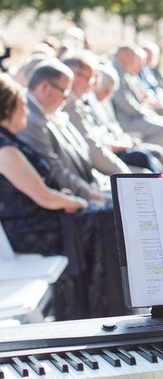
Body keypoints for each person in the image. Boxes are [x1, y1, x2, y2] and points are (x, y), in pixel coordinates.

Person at [0, 73, 123, 319]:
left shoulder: (10, 142)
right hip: (30, 229)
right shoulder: (5, 149)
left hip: (40, 219)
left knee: (106, 215)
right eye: (22, 102)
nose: (26, 107)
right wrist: (78, 202)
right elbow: (43, 196)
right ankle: (99, 312)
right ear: (8, 107)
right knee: (107, 219)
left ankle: (102, 306)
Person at [18, 62, 106, 202]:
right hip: (67, 200)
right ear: (45, 87)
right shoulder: (31, 120)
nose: (67, 98)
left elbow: (77, 153)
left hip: (84, 187)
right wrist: (89, 193)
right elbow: (54, 169)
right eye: (64, 91)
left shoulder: (49, 113)